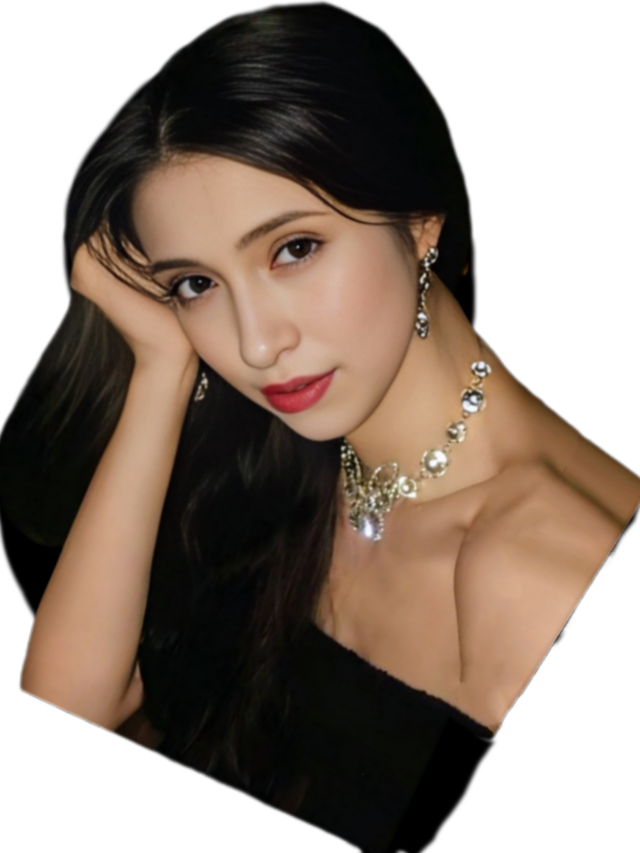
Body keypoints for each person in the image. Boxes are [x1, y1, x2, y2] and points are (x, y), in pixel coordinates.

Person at [5, 4, 640, 850]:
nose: (256, 344)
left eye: (294, 249)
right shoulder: (303, 453)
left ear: (419, 222)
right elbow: (77, 700)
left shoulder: (531, 579)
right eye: (196, 284)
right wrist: (162, 367)